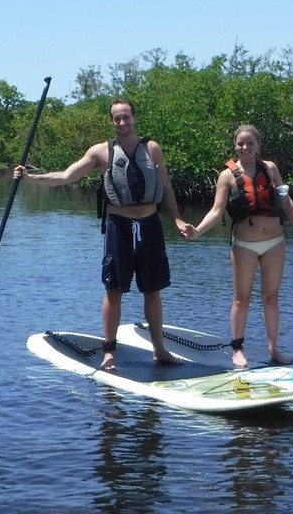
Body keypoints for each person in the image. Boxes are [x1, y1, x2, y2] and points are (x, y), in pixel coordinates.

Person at [15, 98, 191, 371]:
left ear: (134, 118)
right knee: (114, 290)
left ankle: (159, 350)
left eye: (126, 117)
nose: (122, 122)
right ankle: (109, 352)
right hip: (119, 226)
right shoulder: (100, 152)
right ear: (112, 121)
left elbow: (166, 186)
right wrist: (30, 178)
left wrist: (177, 218)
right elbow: (67, 176)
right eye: (117, 118)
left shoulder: (152, 148)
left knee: (152, 290)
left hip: (150, 225)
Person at [187, 123, 293, 367]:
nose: (245, 147)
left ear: (258, 145)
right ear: (235, 146)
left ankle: (274, 349)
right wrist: (198, 231)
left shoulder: (270, 168)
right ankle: (237, 349)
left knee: (271, 298)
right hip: (244, 245)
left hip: (275, 243)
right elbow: (216, 211)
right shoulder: (226, 176)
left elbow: (286, 201)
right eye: (240, 143)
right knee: (241, 299)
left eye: (250, 143)